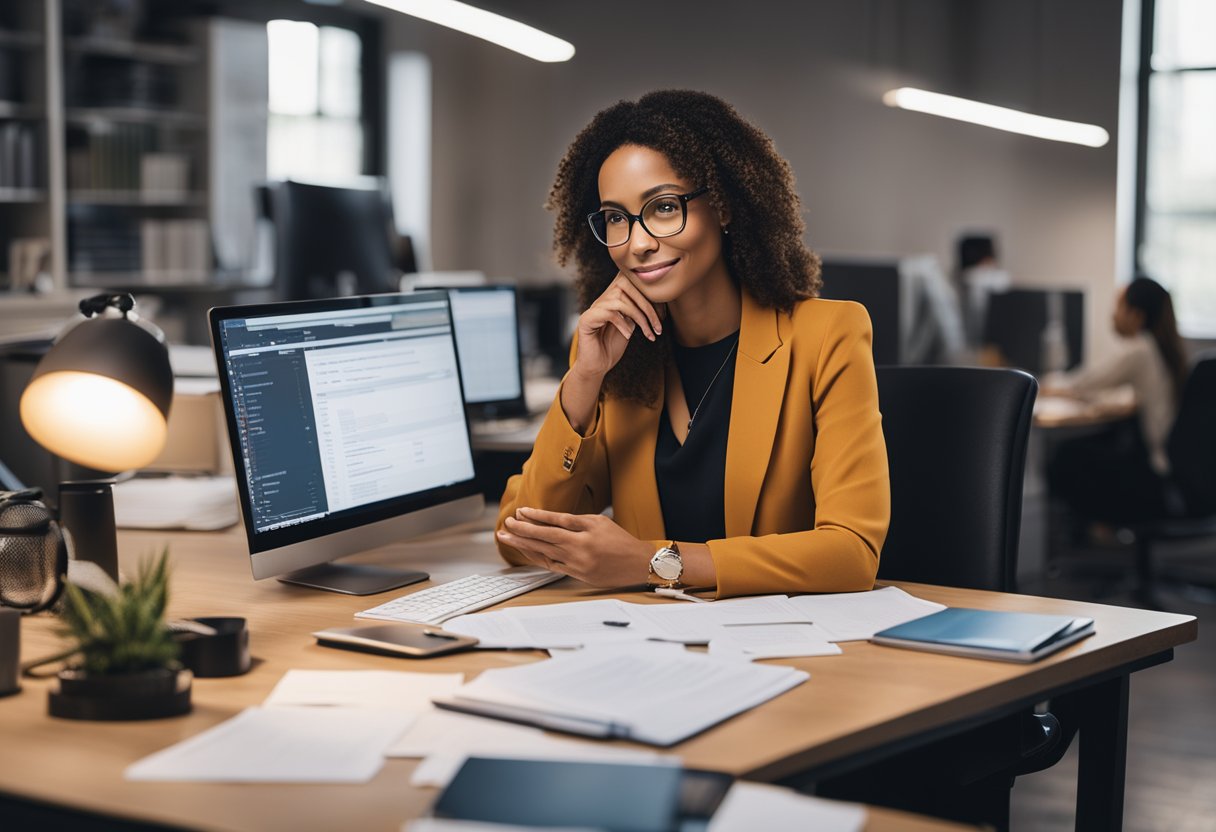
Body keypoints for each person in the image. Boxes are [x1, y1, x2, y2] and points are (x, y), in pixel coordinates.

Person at [493, 90, 890, 598]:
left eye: (662, 207)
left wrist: (653, 562)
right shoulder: (614, 352)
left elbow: (851, 553)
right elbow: (518, 535)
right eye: (615, 218)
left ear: (723, 207)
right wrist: (585, 378)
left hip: (784, 648)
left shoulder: (827, 335)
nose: (636, 243)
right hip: (647, 645)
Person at [1046, 275, 1189, 526]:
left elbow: (1085, 382)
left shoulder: (1140, 349)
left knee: (1065, 456)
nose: (1113, 315)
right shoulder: (1166, 349)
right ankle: (1103, 530)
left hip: (1155, 471)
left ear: (1136, 315)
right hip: (1176, 467)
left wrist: (1040, 384)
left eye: (1119, 307)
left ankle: (1099, 530)